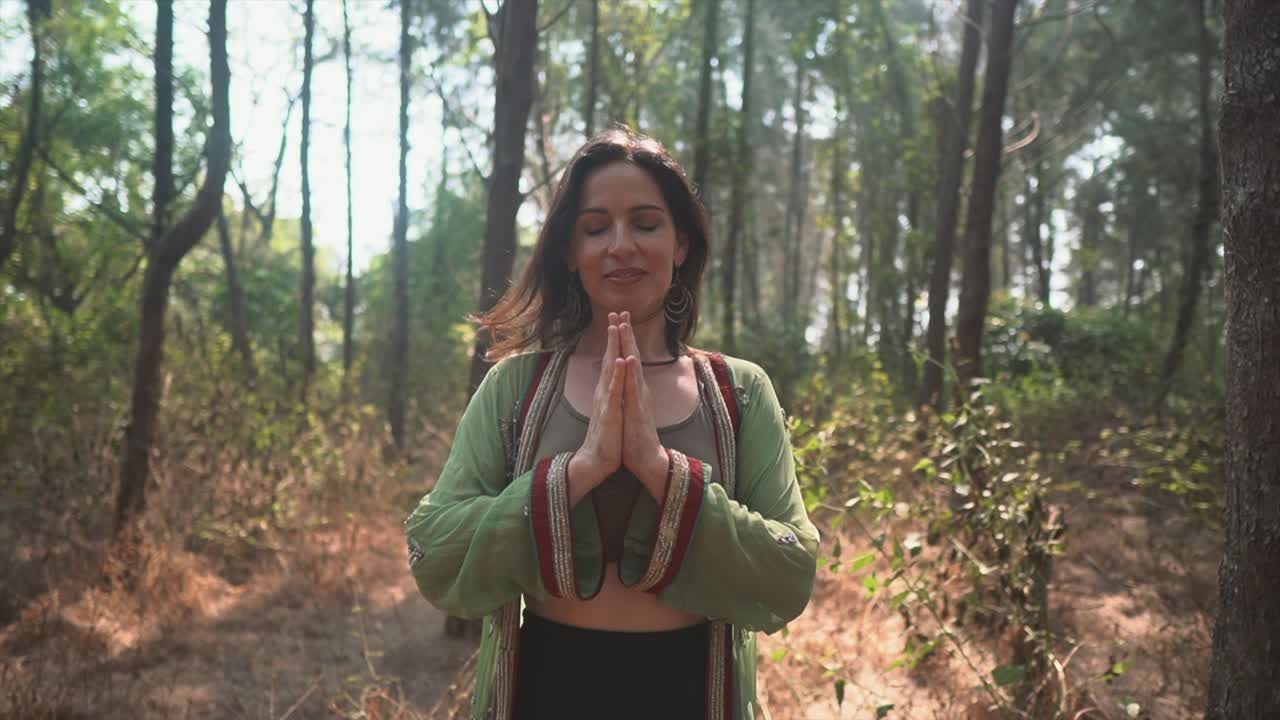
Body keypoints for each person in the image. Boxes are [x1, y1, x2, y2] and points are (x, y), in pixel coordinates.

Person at [404, 127, 819, 720]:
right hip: (547, 689)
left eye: (646, 224)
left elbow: (791, 570)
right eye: (596, 228)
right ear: (570, 254)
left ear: (681, 244)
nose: (621, 245)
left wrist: (658, 468)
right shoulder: (516, 388)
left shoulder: (739, 392)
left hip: (691, 692)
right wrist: (580, 470)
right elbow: (434, 549)